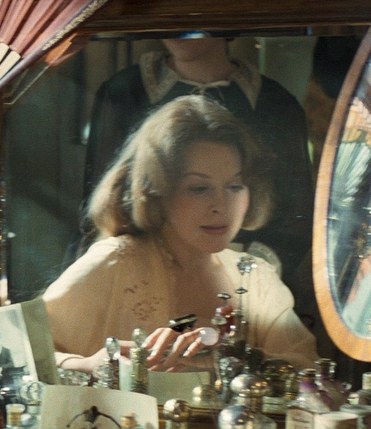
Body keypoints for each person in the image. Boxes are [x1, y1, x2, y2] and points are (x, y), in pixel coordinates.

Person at [44, 95, 318, 374]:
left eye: (235, 186)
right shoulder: (117, 261)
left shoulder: (256, 277)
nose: (221, 206)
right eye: (199, 188)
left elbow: (307, 369)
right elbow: (22, 348)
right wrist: (86, 364)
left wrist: (233, 358)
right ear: (157, 193)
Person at [80, 37, 313, 289]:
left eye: (235, 186)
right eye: (199, 188)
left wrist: (246, 279)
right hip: (143, 279)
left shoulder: (276, 103)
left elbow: (297, 218)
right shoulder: (123, 93)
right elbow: (105, 208)